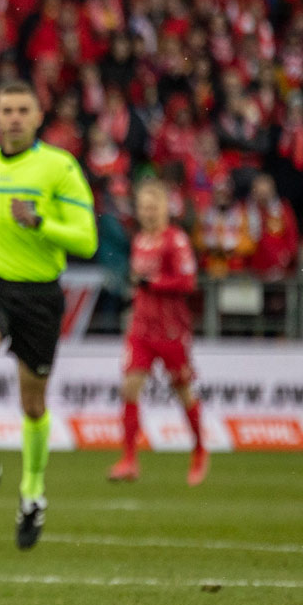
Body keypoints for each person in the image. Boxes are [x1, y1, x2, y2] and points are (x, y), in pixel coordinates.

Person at [0, 82, 98, 549]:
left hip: (39, 294)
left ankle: (32, 493)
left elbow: (86, 239)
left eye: (21, 110)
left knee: (33, 404)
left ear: (38, 116)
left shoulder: (59, 167)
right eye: (5, 110)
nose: (12, 117)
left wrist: (40, 222)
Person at [110, 179, 207, 485]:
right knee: (129, 387)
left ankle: (200, 449)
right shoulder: (139, 240)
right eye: (144, 207)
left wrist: (154, 284)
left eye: (154, 207)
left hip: (170, 329)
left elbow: (188, 282)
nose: (149, 213)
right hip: (142, 327)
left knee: (182, 390)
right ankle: (129, 460)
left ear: (166, 208)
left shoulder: (175, 241)